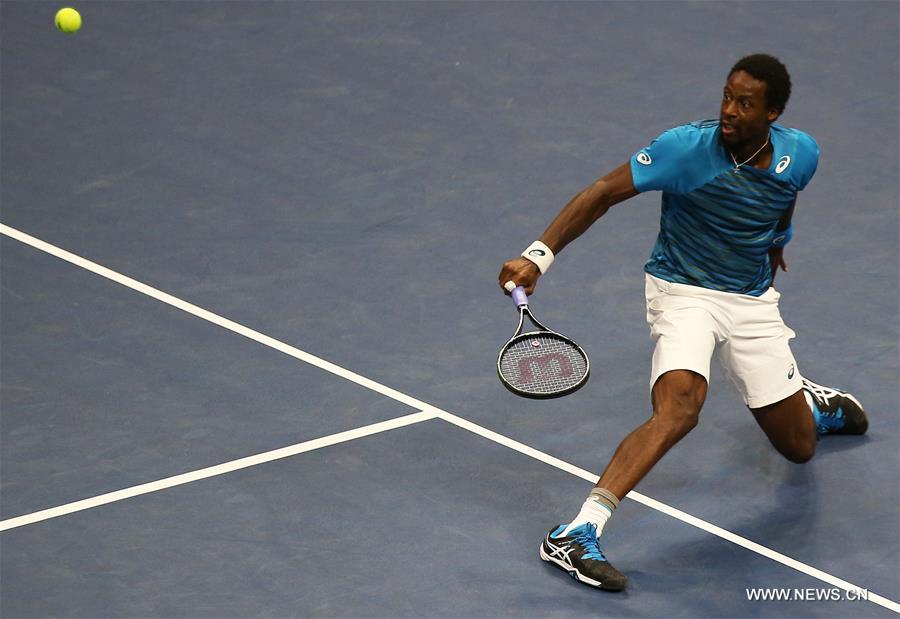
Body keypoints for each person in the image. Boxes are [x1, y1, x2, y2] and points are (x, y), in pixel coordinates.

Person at [497, 53, 868, 592]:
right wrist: (539, 255)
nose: (730, 111)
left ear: (773, 113)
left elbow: (782, 202)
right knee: (679, 409)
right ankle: (577, 532)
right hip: (683, 291)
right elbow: (602, 193)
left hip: (751, 301)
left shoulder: (800, 155)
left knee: (799, 447)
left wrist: (777, 244)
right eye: (726, 96)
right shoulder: (685, 149)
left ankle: (807, 403)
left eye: (745, 103)